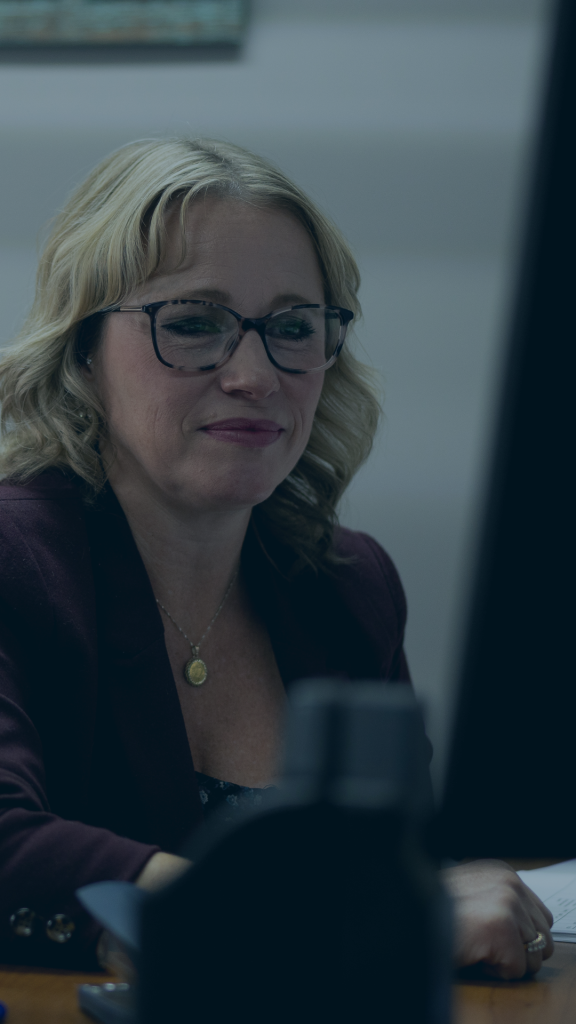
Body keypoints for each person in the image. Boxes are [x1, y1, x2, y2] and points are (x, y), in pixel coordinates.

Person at [0, 138, 553, 976]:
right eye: (193, 323)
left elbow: (391, 868)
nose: (255, 376)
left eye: (294, 328)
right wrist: (330, 914)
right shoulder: (15, 559)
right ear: (82, 348)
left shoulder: (348, 585)